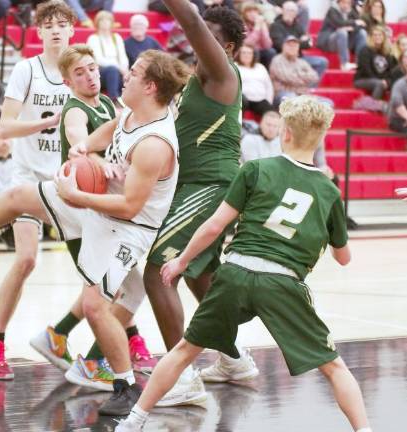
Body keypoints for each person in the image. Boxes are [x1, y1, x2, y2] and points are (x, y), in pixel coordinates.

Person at [0, 48, 189, 417]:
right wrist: (85, 146)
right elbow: (112, 127)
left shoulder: (155, 143)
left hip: (126, 229)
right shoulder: (132, 112)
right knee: (20, 195)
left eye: (134, 72)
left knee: (96, 305)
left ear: (151, 86)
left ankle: (123, 386)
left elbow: (130, 208)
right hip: (98, 203)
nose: (124, 74)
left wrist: (79, 194)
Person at [115, 96, 372, 432]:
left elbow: (213, 227)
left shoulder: (256, 169)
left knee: (183, 351)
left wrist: (181, 261)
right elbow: (344, 257)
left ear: (285, 133)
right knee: (334, 367)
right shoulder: (328, 191)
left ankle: (133, 422)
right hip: (282, 282)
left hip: (235, 272)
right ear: (321, 137)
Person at [0, 0, 76, 382]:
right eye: (48, 24)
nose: (55, 30)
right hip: (28, 179)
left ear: (72, 30)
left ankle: (118, 341)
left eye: (61, 24)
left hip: (68, 181)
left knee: (98, 267)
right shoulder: (27, 69)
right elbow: (4, 128)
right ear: (38, 31)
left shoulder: (80, 71)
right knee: (25, 261)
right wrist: (46, 123)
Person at [141, 1, 258, 408]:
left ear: (224, 46)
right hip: (195, 183)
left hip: (211, 184)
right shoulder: (200, 77)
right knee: (199, 274)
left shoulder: (222, 72)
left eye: (209, 35)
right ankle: (233, 358)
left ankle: (181, 378)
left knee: (159, 272)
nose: (198, 40)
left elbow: (189, 18)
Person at [28, 45, 157, 388]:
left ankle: (59, 336)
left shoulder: (107, 104)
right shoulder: (74, 111)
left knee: (115, 288)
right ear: (68, 81)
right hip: (80, 209)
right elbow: (78, 142)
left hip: (97, 209)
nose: (90, 76)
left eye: (92, 68)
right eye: (80, 73)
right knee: (117, 290)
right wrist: (102, 163)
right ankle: (95, 360)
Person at [269, 1, 328, 78]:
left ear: (296, 14)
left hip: (299, 58)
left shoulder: (298, 26)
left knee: (322, 62)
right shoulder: (275, 26)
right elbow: (279, 45)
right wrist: (300, 42)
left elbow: (309, 44)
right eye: (287, 10)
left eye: (292, 11)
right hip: (283, 59)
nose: (289, 13)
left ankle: (310, 89)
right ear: (282, 11)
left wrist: (292, 43)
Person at [270, 36, 327, 106]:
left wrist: (296, 74)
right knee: (292, 100)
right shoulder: (277, 60)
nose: (292, 47)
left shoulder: (302, 62)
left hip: (302, 94)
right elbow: (288, 78)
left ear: (298, 48)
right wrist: (304, 79)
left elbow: (315, 77)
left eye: (295, 46)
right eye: (289, 45)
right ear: (283, 47)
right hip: (283, 93)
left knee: (327, 103)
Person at [87, 11, 129, 105]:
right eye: (102, 20)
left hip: (118, 70)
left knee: (131, 73)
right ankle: (113, 100)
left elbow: (123, 56)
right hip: (100, 73)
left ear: (111, 23)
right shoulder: (93, 38)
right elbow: (98, 59)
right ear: (98, 23)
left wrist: (125, 69)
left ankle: (128, 100)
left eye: (108, 20)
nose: (105, 23)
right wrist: (119, 68)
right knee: (112, 70)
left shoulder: (117, 37)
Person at [317, 0, 367, 71]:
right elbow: (339, 23)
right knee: (342, 32)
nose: (346, 5)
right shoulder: (332, 10)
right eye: (343, 2)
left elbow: (361, 25)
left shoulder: (352, 12)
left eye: (348, 3)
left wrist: (351, 27)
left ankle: (359, 63)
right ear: (338, 2)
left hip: (346, 41)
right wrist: (353, 23)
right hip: (330, 41)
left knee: (362, 33)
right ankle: (344, 63)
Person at [353, 25, 397, 100]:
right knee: (379, 84)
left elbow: (391, 70)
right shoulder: (365, 50)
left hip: (380, 80)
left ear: (384, 37)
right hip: (362, 79)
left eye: (380, 35)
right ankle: (372, 105)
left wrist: (387, 81)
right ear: (371, 37)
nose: (377, 37)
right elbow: (366, 70)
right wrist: (381, 81)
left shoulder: (388, 52)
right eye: (375, 35)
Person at [236, 44, 275, 117]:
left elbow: (269, 86)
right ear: (239, 54)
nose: (246, 55)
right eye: (244, 53)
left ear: (253, 55)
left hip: (259, 100)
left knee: (271, 113)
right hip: (242, 100)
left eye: (249, 53)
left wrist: (268, 101)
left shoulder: (260, 67)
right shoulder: (235, 67)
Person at [242, 2, 276, 68]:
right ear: (244, 14)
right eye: (249, 11)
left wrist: (263, 27)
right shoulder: (242, 26)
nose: (252, 14)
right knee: (255, 51)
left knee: (271, 52)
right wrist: (257, 28)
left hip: (261, 52)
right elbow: (248, 44)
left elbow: (268, 45)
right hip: (247, 52)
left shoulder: (262, 24)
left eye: (255, 11)